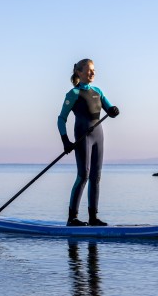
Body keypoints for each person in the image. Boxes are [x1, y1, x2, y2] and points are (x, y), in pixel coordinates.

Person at [57, 58, 120, 226]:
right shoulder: (74, 94)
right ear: (79, 72)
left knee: (96, 177)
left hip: (98, 135)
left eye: (94, 70)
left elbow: (110, 110)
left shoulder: (98, 91)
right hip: (82, 135)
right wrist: (65, 141)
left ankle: (93, 218)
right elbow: (61, 119)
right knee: (83, 175)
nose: (93, 72)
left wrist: (114, 110)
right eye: (89, 70)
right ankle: (72, 219)